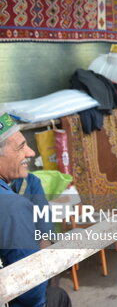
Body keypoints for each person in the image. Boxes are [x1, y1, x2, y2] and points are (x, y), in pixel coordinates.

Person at [0, 112, 72, 307]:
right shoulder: (12, 207)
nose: (31, 153)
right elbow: (31, 294)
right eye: (21, 147)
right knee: (57, 296)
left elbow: (44, 232)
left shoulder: (31, 182)